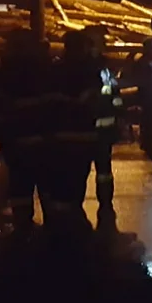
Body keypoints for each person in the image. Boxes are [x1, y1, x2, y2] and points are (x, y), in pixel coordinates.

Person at [45, 29, 122, 234]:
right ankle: (84, 216)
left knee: (84, 173)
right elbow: (111, 95)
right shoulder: (96, 69)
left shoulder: (58, 69)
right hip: (91, 131)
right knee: (88, 173)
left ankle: (76, 217)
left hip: (82, 132)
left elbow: (114, 95)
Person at [0, 29, 52, 231]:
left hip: (17, 141)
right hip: (42, 139)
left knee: (20, 184)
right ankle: (51, 227)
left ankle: (23, 226)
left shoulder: (4, 74)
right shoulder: (44, 71)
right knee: (46, 184)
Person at [126, 37, 152, 158]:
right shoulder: (142, 62)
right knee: (148, 119)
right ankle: (147, 142)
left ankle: (148, 141)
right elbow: (139, 78)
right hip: (147, 94)